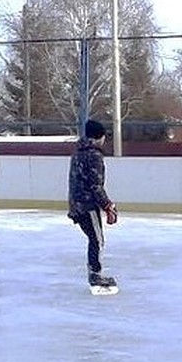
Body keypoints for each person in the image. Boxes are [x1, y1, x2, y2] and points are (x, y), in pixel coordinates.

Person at [68, 119, 119, 289]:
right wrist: (107, 205)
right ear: (99, 137)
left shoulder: (78, 152)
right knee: (97, 239)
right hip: (87, 205)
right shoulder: (94, 155)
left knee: (94, 238)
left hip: (76, 204)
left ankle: (94, 272)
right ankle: (95, 274)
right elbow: (95, 185)